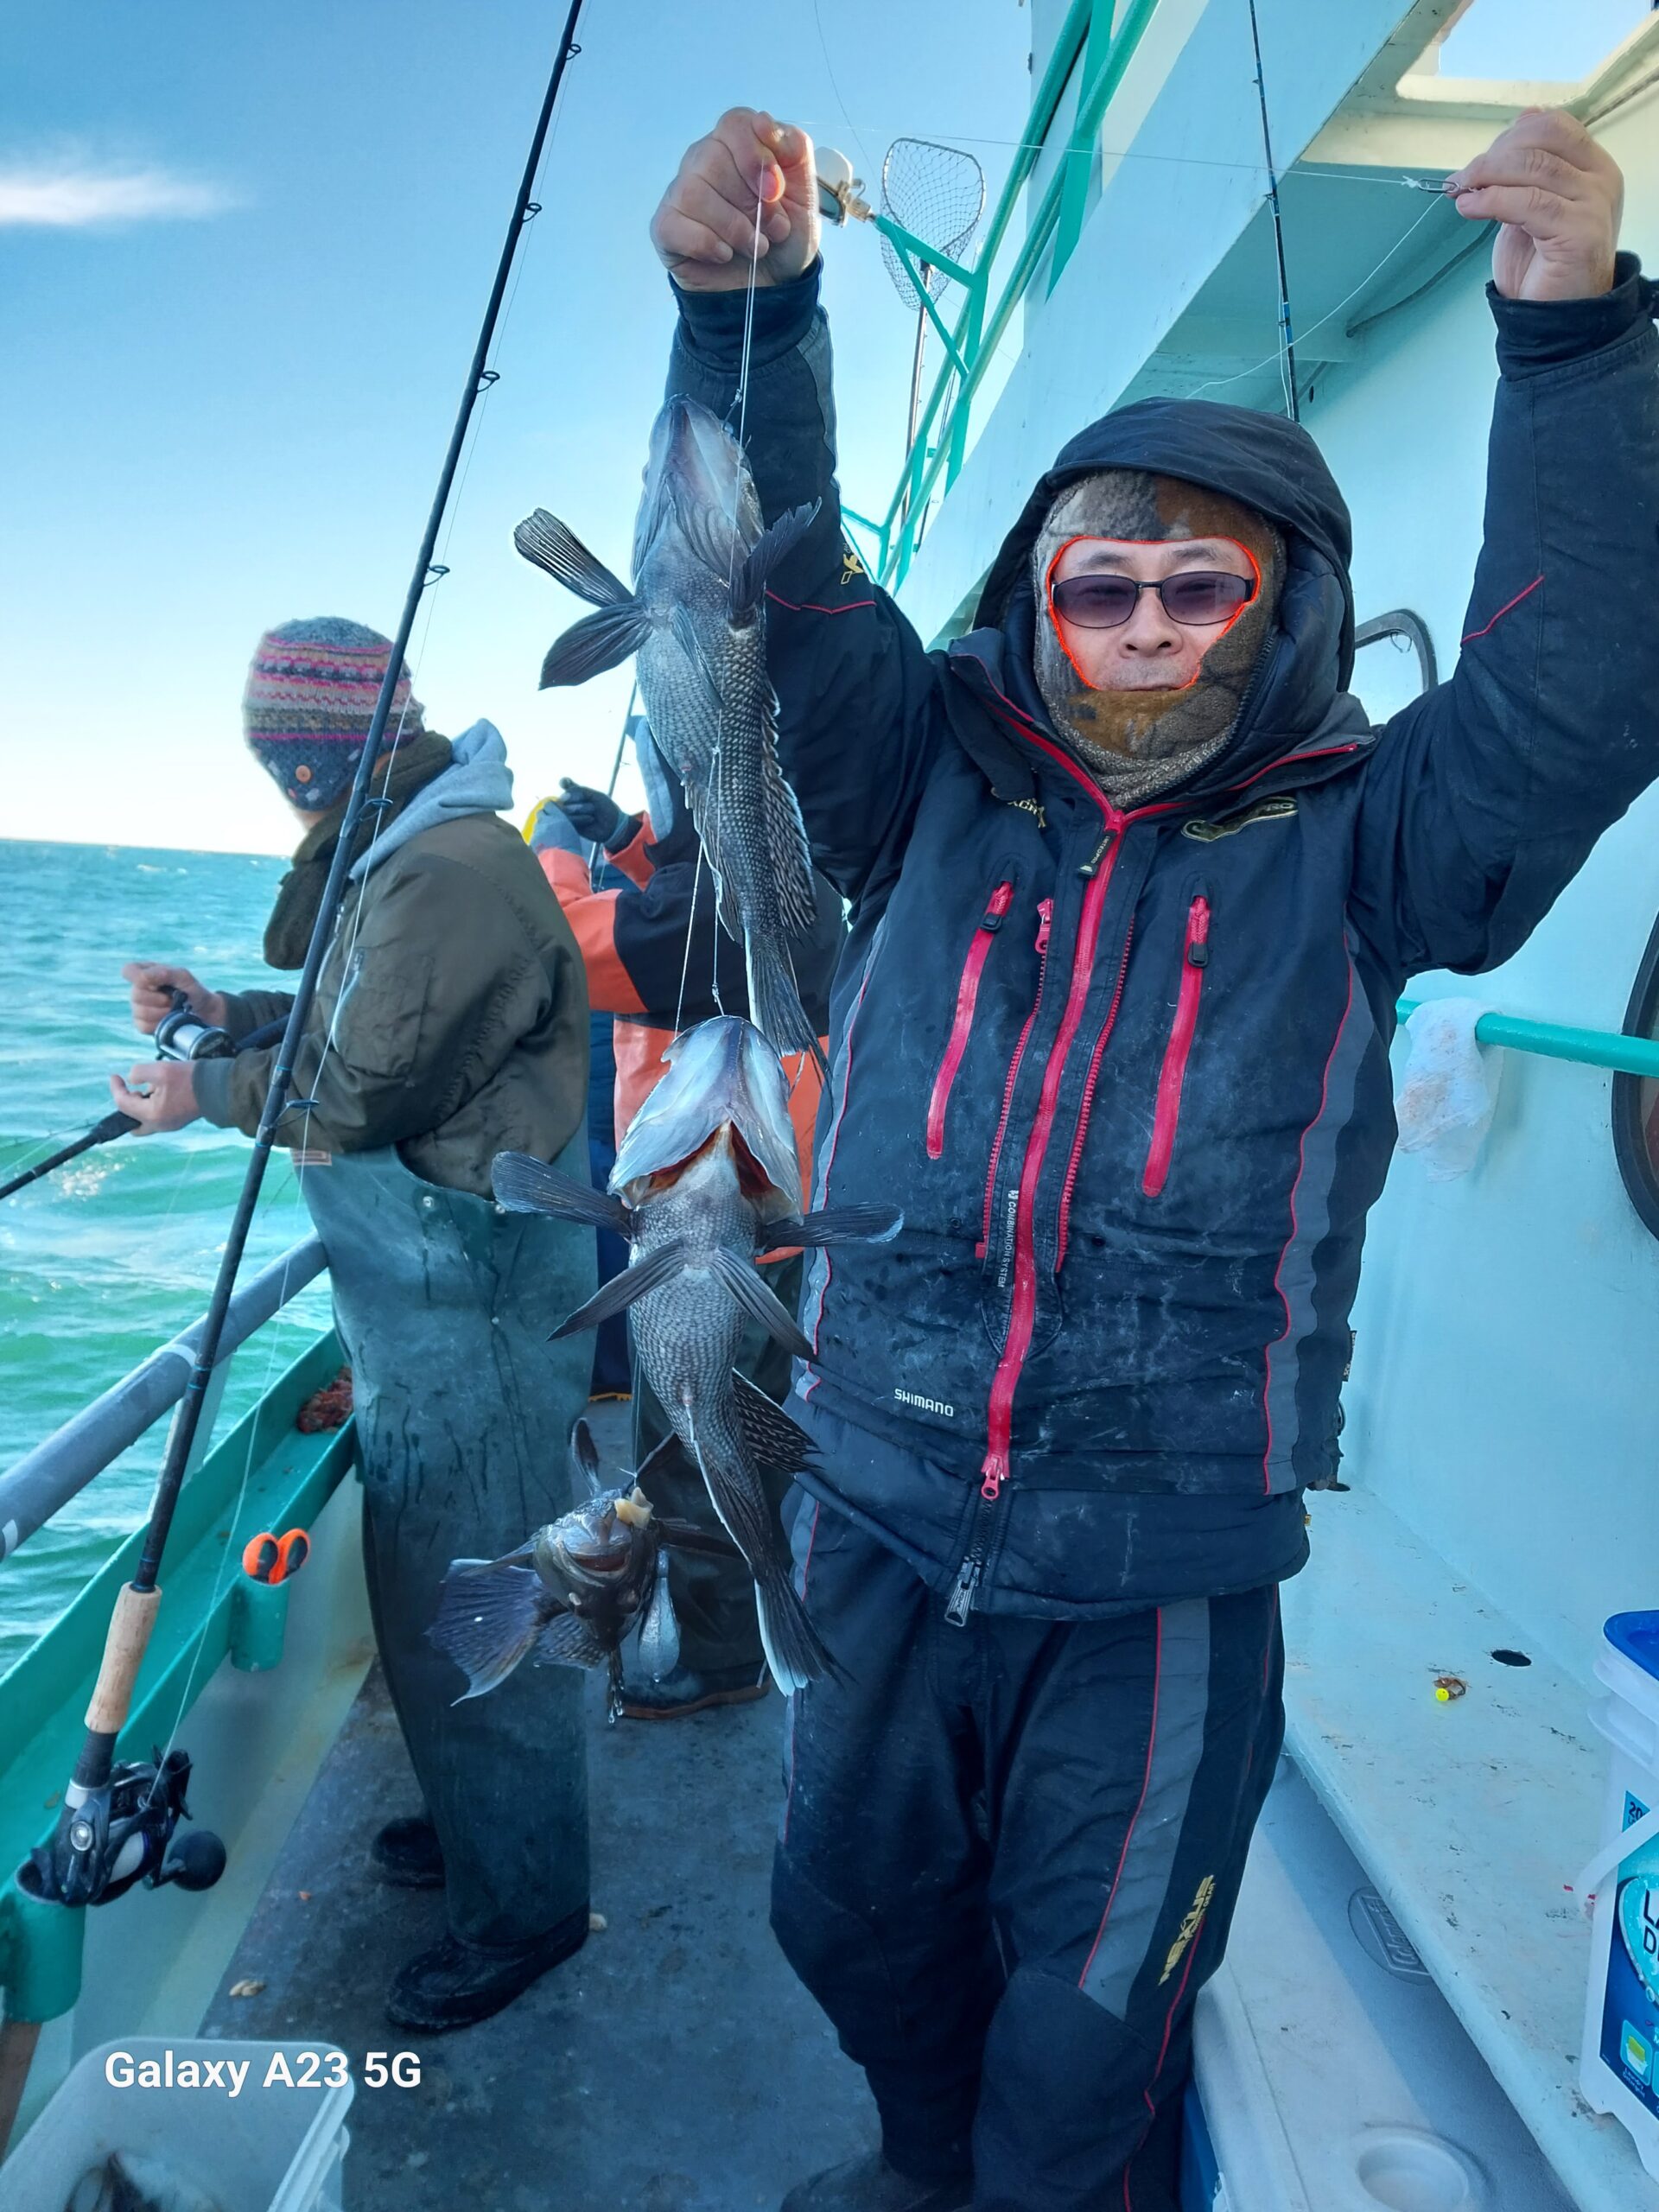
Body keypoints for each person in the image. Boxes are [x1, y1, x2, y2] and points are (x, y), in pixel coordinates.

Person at [649, 105, 1656, 2211]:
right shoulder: (914, 765)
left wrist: (1572, 347)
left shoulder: (1376, 835)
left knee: (1093, 2016)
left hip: (1163, 1573)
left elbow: (1569, 689)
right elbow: (768, 570)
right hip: (877, 1509)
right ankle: (925, 2170)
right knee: (840, 1917)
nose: (1139, 621)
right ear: (1038, 592)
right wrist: (744, 313)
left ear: (1275, 606)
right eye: (1095, 580)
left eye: (1199, 584)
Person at [116, 617, 596, 2033]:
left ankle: (529, 1910)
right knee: (424, 1592)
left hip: (481, 1318)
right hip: (422, 1324)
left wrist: (193, 1094)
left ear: (328, 746)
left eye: (292, 748)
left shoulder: (446, 866)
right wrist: (223, 1015)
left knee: (486, 1616)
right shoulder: (415, 847)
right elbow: (355, 1015)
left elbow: (351, 1090)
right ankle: (477, 1827)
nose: (285, 774)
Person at [536, 749, 846, 1717]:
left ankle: (724, 1651)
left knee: (695, 1451)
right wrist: (630, 843)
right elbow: (677, 884)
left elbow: (551, 949)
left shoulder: (709, 913)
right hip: (744, 1220)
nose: (656, 801)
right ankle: (721, 1613)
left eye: (667, 785)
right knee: (700, 1436)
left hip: (713, 1238)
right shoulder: (756, 870)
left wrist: (552, 846)